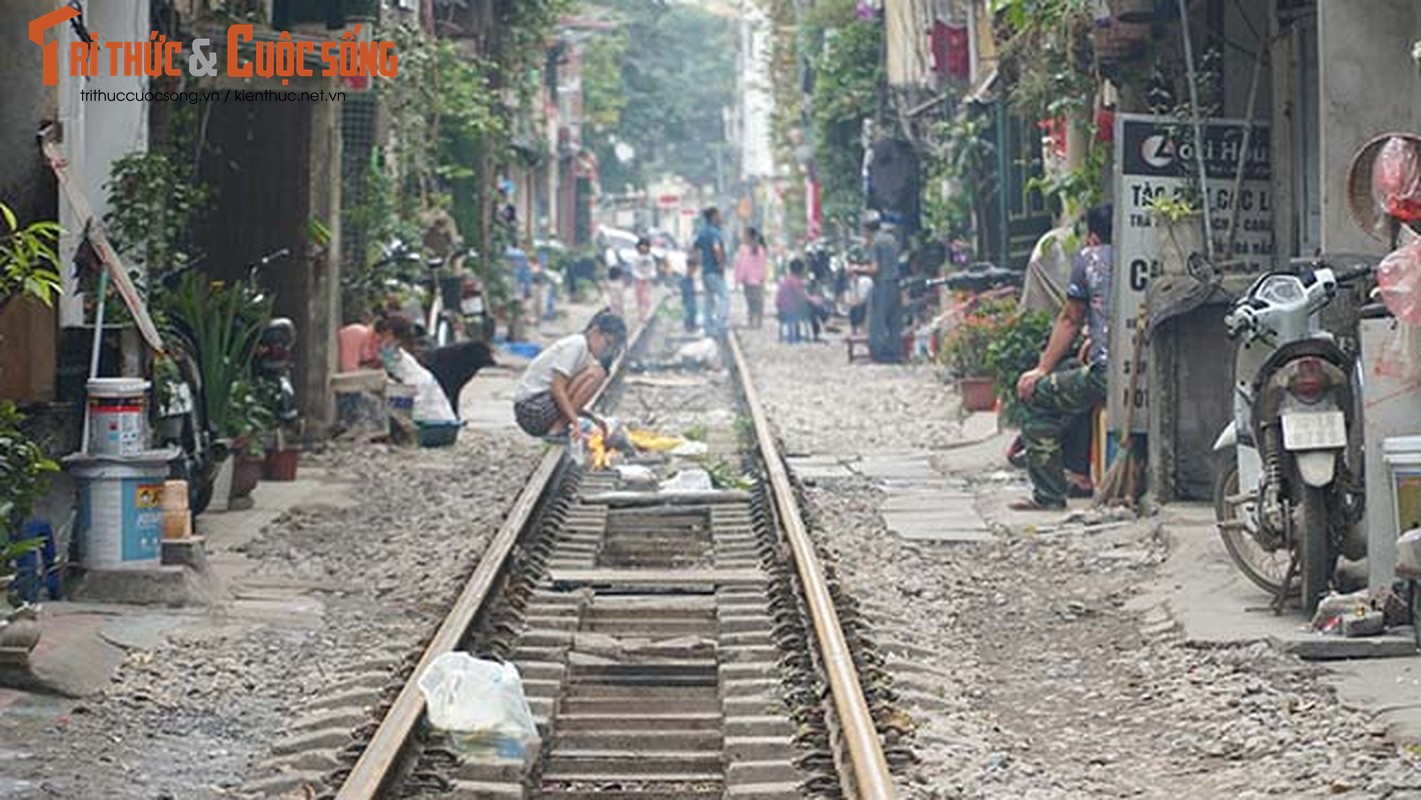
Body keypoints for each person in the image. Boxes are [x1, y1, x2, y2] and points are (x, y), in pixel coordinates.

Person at [1011, 205, 1114, 511]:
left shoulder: (1090, 259)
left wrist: (1041, 369)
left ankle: (1049, 494)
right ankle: (1079, 474)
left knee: (1035, 394)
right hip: (1143, 366)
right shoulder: (1146, 257)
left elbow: (1070, 319)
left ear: (1093, 238)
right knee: (1073, 374)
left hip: (1107, 372)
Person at [513, 311, 628, 440]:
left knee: (597, 372)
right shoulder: (576, 345)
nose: (606, 350)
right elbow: (558, 388)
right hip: (531, 410)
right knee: (597, 374)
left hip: (541, 406)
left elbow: (571, 393)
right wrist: (575, 421)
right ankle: (557, 429)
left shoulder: (585, 351)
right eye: (607, 343)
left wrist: (591, 417)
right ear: (595, 331)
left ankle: (559, 426)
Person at [374, 315, 457, 423]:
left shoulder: (393, 351)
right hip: (416, 383)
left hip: (417, 384)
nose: (381, 337)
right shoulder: (393, 349)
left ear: (396, 337)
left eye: (387, 334)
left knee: (422, 414)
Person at [860, 211, 902, 363]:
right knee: (894, 321)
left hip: (882, 284)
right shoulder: (891, 239)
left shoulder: (875, 242)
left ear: (867, 229)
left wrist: (857, 269)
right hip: (895, 283)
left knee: (878, 320)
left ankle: (879, 354)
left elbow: (875, 269)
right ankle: (895, 352)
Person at [693, 207, 729, 335]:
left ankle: (709, 327)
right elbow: (717, 249)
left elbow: (695, 249)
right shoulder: (715, 233)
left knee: (709, 299)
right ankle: (722, 323)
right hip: (714, 270)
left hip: (705, 271)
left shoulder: (702, 233)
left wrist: (697, 264)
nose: (721, 218)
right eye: (719, 215)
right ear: (713, 217)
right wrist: (721, 265)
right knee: (724, 296)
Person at [734, 227, 769, 329]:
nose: (743, 237)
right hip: (758, 280)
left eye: (744, 235)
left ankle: (751, 321)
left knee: (750, 302)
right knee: (759, 301)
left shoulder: (743, 249)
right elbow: (764, 266)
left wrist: (738, 280)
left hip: (748, 280)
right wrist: (763, 278)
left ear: (749, 236)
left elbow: (741, 266)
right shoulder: (761, 249)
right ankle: (759, 322)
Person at [775, 259, 812, 339]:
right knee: (813, 310)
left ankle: (796, 333)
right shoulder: (797, 282)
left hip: (782, 312)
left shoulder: (784, 281)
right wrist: (813, 300)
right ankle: (815, 333)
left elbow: (778, 301)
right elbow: (801, 297)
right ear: (801, 270)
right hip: (792, 312)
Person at [630, 237, 658, 323]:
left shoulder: (650, 258)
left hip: (647, 280)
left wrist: (649, 276)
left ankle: (645, 314)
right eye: (642, 246)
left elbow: (653, 269)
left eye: (645, 246)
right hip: (638, 280)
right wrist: (639, 276)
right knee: (639, 298)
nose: (643, 248)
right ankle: (640, 315)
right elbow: (634, 269)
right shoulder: (636, 258)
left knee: (646, 298)